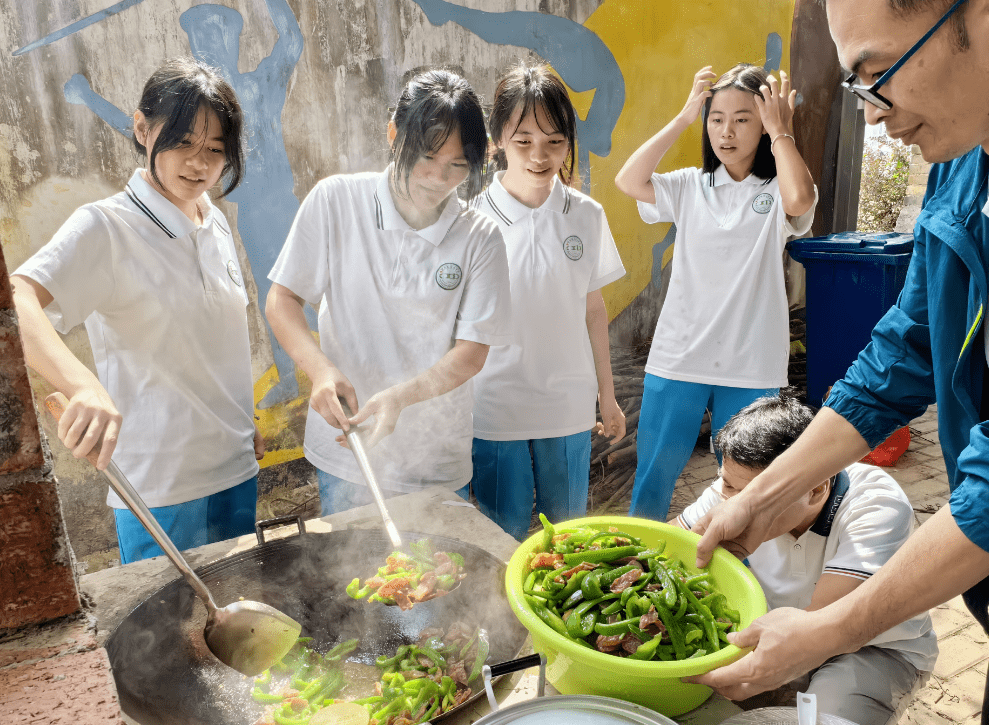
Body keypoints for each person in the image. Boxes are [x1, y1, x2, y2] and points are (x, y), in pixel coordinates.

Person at [689, 0, 989, 725]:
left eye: (875, 73)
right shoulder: (969, 166)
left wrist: (827, 631)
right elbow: (901, 352)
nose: (875, 113)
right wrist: (765, 492)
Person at [12, 58, 264, 564]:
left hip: (236, 469)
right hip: (161, 489)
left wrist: (241, 419)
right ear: (143, 129)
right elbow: (18, 299)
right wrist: (83, 384)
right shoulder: (106, 227)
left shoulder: (213, 222)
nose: (199, 163)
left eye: (216, 150)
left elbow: (213, 337)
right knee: (166, 635)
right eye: (183, 142)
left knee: (242, 625)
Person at [266, 70, 512, 516]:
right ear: (394, 134)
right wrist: (320, 371)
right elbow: (282, 300)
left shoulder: (481, 237)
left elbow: (472, 352)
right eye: (427, 158)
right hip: (348, 449)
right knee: (348, 578)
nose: (439, 179)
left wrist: (401, 398)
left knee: (438, 576)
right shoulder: (335, 201)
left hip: (437, 462)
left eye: (457, 166)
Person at [614, 63, 818, 522]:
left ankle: (731, 575)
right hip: (679, 357)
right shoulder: (689, 185)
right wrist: (685, 115)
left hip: (750, 364)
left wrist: (781, 131)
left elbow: (802, 202)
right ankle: (634, 569)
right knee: (653, 477)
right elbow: (628, 180)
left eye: (743, 119)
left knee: (744, 487)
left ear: (763, 124)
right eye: (717, 118)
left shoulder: (776, 187)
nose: (726, 131)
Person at [675, 392, 936, 725]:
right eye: (727, 483)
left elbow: (822, 625)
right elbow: (669, 553)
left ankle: (873, 724)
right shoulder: (728, 491)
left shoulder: (875, 504)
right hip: (776, 633)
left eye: (757, 495)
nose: (735, 506)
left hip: (872, 647)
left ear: (815, 488)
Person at [468, 61, 627, 540]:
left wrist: (608, 396)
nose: (540, 155)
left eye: (555, 142)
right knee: (504, 534)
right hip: (495, 408)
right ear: (497, 140)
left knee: (567, 534)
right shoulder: (471, 221)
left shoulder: (587, 216)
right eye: (523, 142)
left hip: (567, 406)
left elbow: (593, 310)